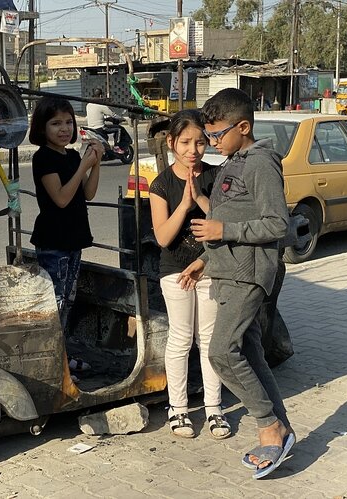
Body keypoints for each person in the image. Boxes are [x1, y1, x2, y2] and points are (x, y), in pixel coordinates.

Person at [178, 88, 295, 479]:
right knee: (250, 351)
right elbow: (224, 223)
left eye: (216, 135)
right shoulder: (233, 162)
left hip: (249, 273)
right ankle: (281, 426)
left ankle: (267, 424)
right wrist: (203, 260)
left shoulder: (261, 163)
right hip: (227, 271)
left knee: (221, 352)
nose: (211, 143)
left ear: (243, 127)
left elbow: (278, 224)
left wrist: (221, 227)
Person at [148, 110, 231, 440]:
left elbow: (227, 224)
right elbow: (163, 238)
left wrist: (199, 197)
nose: (193, 150)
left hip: (211, 267)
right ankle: (178, 408)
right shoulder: (161, 184)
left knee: (210, 340)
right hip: (175, 271)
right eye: (185, 142)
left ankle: (214, 408)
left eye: (200, 142)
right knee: (181, 338)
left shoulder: (217, 175)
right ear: (171, 143)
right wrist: (184, 205)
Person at [28, 96, 104, 379]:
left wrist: (95, 163)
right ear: (42, 127)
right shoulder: (43, 158)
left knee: (67, 302)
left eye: (69, 122)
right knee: (55, 303)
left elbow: (88, 193)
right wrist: (83, 167)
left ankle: (62, 356)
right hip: (53, 242)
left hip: (74, 240)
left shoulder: (72, 156)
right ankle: (54, 365)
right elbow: (61, 198)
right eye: (56, 123)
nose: (64, 129)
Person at [85, 88, 123, 153]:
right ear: (100, 96)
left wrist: (104, 118)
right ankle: (116, 147)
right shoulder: (101, 106)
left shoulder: (88, 105)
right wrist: (122, 118)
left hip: (90, 128)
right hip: (100, 128)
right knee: (119, 129)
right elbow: (113, 115)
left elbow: (95, 114)